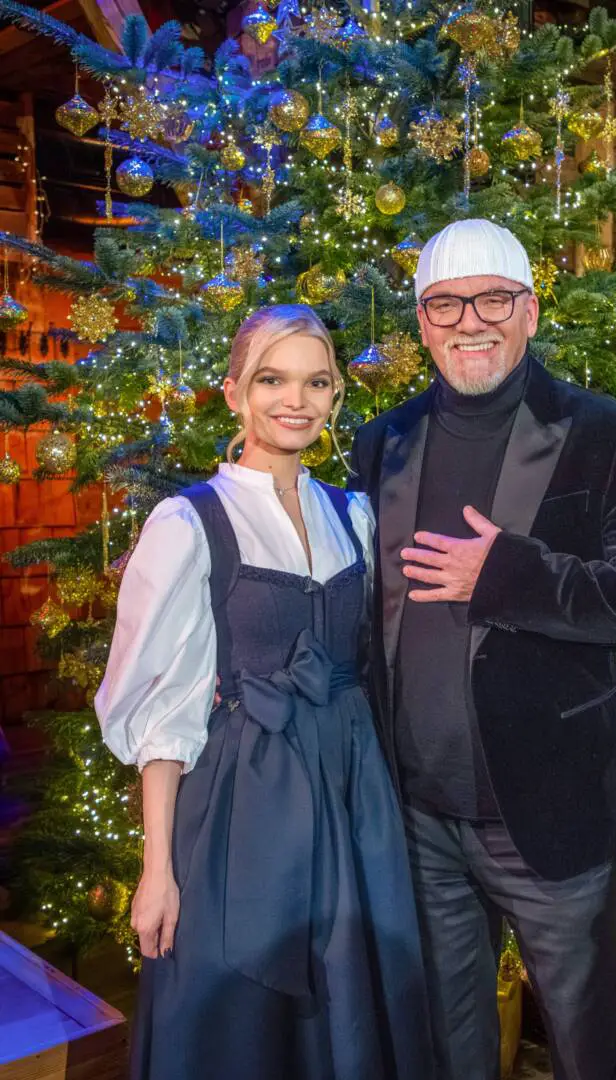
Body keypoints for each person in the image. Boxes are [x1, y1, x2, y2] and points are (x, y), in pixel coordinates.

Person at [348, 218, 616, 1080]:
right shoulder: (380, 441)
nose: (470, 320)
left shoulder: (604, 432)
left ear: (529, 310)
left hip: (547, 808)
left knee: (585, 1047)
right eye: (445, 304)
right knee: (448, 1040)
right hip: (417, 807)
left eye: (493, 299)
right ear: (422, 322)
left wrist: (509, 575)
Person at [96, 305, 433, 1080]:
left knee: (348, 1003)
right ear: (233, 395)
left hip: (354, 794)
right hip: (242, 800)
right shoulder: (189, 522)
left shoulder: (354, 513)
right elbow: (163, 709)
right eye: (272, 379)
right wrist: (158, 870)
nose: (296, 400)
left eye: (317, 382)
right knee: (235, 1015)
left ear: (336, 396)